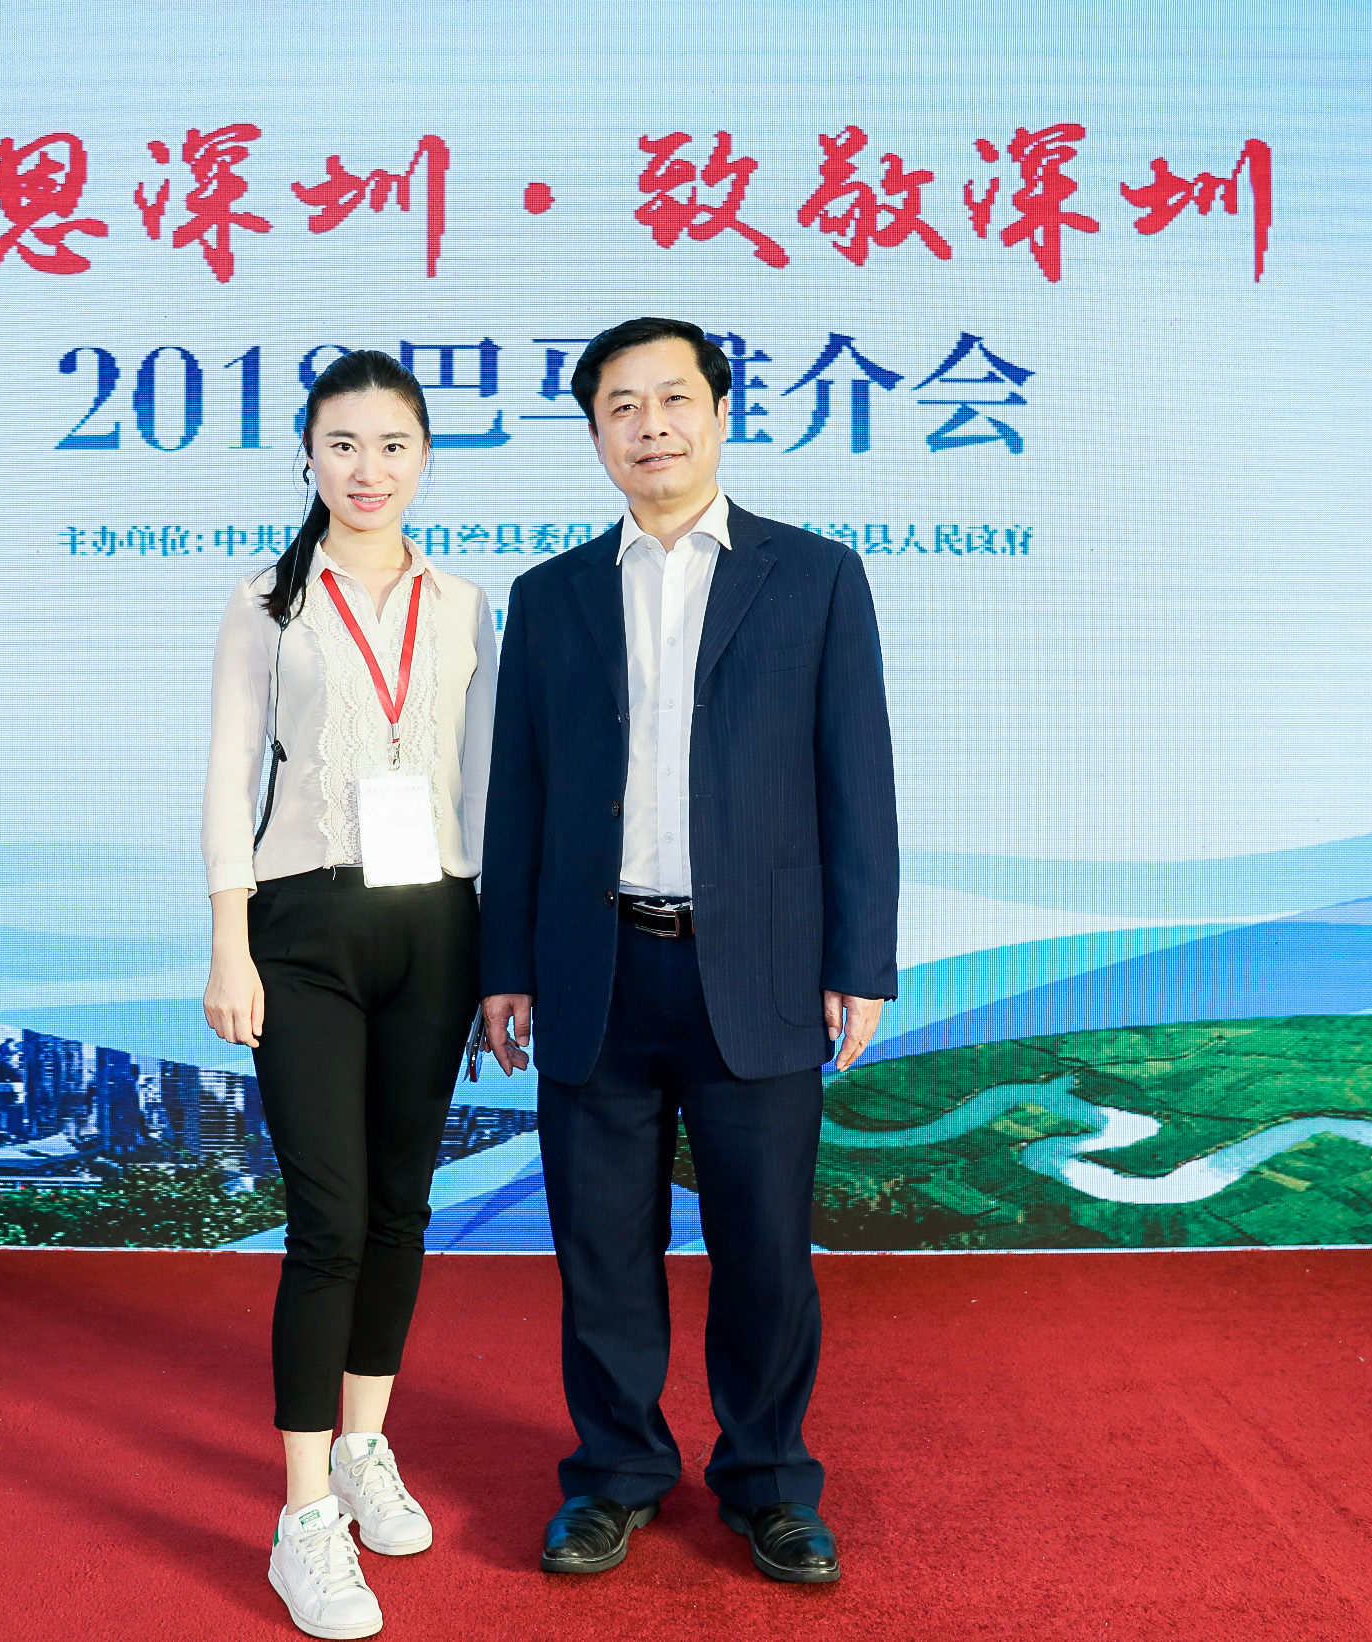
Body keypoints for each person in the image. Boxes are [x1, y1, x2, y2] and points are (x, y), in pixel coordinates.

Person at [480, 316, 898, 1585]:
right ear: (594, 433)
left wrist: (859, 959)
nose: (649, 426)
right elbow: (518, 794)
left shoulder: (815, 577)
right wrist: (505, 964)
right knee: (600, 1253)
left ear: (720, 414)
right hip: (595, 966)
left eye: (672, 399)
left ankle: (769, 1481)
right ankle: (613, 1475)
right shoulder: (549, 595)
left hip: (757, 969)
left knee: (763, 1252)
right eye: (621, 406)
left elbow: (857, 778)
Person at [202, 349, 497, 1640]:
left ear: (423, 456)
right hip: (303, 926)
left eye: (391, 444)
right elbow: (226, 775)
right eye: (342, 444)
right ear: (308, 457)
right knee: (327, 1219)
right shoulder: (265, 600)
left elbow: (482, 786)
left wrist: (498, 958)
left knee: (398, 1207)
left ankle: (367, 1442)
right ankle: (303, 1512)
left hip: (434, 920)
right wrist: (229, 942)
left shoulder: (466, 604)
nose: (367, 469)